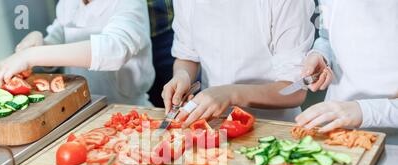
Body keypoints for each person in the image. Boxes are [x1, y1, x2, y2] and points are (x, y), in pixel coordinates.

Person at [162, 0, 316, 127]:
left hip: (272, 128)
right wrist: (183, 75)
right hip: (213, 126)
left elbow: (295, 90)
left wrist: (231, 94)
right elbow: (187, 55)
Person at [0, 0, 155, 106]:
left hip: (126, 109)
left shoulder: (128, 3)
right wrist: (41, 41)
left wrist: (31, 56)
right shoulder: (68, 3)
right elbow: (60, 33)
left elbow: (114, 49)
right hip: (81, 106)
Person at [296, 0, 398, 133]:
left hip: (391, 136)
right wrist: (320, 54)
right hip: (334, 125)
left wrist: (364, 111)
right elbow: (326, 35)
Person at [147, 0, 175, 108]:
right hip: (136, 43)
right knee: (154, 99)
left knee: (179, 95)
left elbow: (187, 57)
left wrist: (182, 73)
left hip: (165, 30)